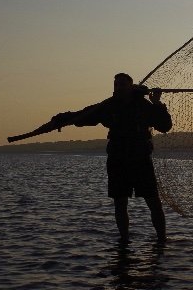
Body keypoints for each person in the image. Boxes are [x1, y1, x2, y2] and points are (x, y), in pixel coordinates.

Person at [51, 73, 172, 243]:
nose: (118, 87)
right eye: (116, 84)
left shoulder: (143, 105)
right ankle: (124, 241)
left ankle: (162, 240)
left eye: (122, 84)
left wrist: (157, 104)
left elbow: (165, 126)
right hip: (118, 160)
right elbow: (85, 115)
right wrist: (61, 119)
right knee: (120, 204)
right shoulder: (109, 106)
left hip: (140, 160)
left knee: (153, 201)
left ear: (131, 87)